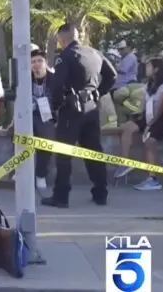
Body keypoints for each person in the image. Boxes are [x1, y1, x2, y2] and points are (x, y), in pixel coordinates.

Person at [41, 23, 116, 208]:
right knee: (93, 152)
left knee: (64, 155)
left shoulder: (65, 57)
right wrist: (97, 93)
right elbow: (112, 75)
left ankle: (60, 196)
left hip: (71, 110)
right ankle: (101, 193)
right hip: (91, 109)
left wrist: (56, 107)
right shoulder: (94, 53)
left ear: (61, 39)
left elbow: (57, 87)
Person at [114, 58, 163, 190]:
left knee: (149, 142)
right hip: (148, 115)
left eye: (149, 66)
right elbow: (145, 104)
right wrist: (138, 115)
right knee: (128, 127)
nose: (146, 69)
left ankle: (153, 179)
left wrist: (151, 123)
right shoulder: (148, 85)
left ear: (157, 69)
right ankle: (125, 163)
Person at [30, 48, 56, 189]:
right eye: (33, 61)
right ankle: (20, 172)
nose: (36, 64)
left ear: (46, 63)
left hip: (47, 116)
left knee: (46, 141)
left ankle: (41, 175)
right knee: (20, 139)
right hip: (29, 115)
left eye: (40, 61)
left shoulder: (53, 79)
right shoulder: (25, 79)